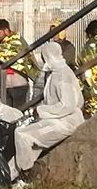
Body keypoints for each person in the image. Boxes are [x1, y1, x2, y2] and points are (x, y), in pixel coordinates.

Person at [9, 42, 84, 181]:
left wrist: (42, 110)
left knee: (23, 135)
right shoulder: (55, 73)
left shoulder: (62, 75)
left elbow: (68, 105)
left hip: (65, 122)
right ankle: (7, 176)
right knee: (26, 136)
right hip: (56, 119)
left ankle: (26, 176)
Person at [0, 19, 40, 109]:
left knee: (18, 112)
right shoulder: (0, 46)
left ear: (6, 31)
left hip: (19, 85)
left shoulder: (17, 41)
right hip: (5, 86)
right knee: (7, 114)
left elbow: (13, 56)